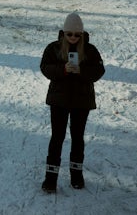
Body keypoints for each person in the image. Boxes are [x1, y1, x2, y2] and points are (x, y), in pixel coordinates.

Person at [39, 12, 105, 193]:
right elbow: (45, 67)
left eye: (77, 35)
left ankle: (77, 175)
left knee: (77, 138)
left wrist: (80, 71)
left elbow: (99, 71)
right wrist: (63, 69)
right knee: (57, 138)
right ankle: (50, 178)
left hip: (81, 101)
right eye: (70, 34)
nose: (73, 38)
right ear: (64, 32)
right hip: (59, 100)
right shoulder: (53, 48)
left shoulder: (90, 50)